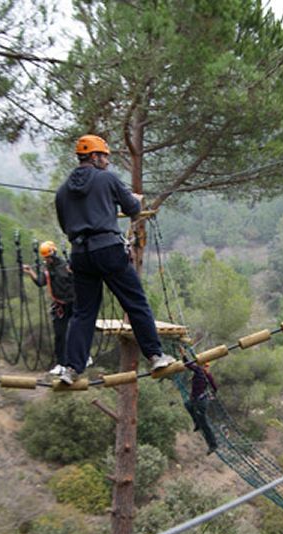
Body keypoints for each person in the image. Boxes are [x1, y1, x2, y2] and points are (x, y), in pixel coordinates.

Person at [54, 134, 175, 385]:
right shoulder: (107, 179)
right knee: (135, 302)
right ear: (95, 157)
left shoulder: (63, 190)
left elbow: (66, 227)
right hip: (108, 249)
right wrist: (132, 200)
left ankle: (71, 368)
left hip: (80, 254)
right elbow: (132, 209)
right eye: (105, 157)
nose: (107, 163)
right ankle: (155, 355)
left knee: (83, 313)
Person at [22, 240, 75, 376]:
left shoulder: (66, 266)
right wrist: (30, 272)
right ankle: (61, 363)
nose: (48, 260)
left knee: (74, 332)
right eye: (46, 258)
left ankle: (79, 359)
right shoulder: (47, 270)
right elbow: (41, 282)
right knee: (59, 335)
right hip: (60, 305)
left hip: (74, 303)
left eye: (49, 257)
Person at [181, 348, 219, 454]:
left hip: (200, 401)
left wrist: (184, 355)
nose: (206, 368)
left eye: (207, 366)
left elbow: (188, 364)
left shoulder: (201, 372)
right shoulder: (205, 374)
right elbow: (215, 388)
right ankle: (196, 422)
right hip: (197, 400)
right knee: (187, 404)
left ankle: (213, 444)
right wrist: (212, 395)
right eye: (205, 366)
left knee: (205, 424)